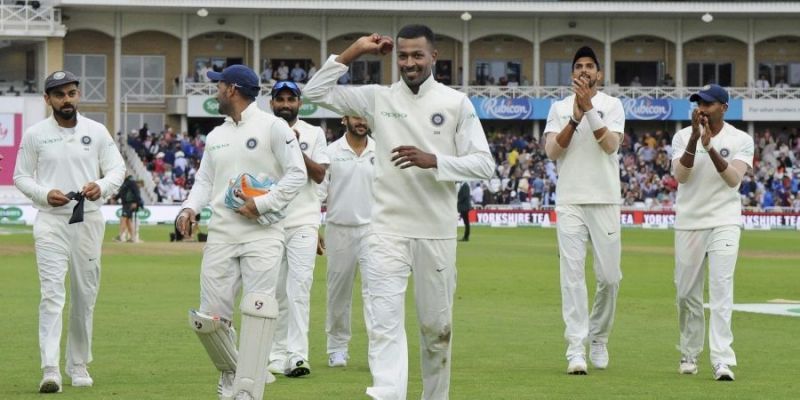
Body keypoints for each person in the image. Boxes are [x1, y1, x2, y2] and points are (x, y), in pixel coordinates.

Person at [305, 24, 495, 400]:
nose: (409, 63)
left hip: (435, 231)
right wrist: (356, 49)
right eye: (403, 56)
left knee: (436, 331)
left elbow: (484, 165)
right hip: (386, 231)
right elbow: (313, 93)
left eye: (417, 55)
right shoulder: (378, 99)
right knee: (384, 326)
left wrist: (434, 161)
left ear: (434, 57)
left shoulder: (455, 103)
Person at [175, 65, 307, 399]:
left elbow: (297, 174)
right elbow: (204, 181)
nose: (215, 91)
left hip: (263, 233)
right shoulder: (216, 135)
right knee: (210, 318)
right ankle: (235, 373)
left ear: (231, 89)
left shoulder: (274, 127)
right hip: (221, 233)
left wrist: (261, 205)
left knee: (258, 311)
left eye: (218, 85)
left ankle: (247, 390)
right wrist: (189, 208)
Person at [13, 70, 126, 393]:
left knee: (84, 297)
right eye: (59, 95)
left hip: (88, 220)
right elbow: (21, 176)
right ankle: (50, 369)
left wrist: (101, 186)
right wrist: (43, 193)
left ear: (78, 96)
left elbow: (117, 168)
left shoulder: (96, 131)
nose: (67, 100)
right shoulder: (36, 134)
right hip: (50, 220)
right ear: (47, 99)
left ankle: (78, 364)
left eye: (71, 93)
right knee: (52, 295)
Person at [543, 46, 625, 375]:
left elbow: (611, 146)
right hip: (570, 200)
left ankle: (599, 337)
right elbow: (551, 151)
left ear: (599, 74)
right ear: (572, 73)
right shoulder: (559, 107)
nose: (585, 71)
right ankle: (575, 347)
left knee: (609, 278)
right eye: (579, 66)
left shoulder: (612, 105)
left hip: (605, 198)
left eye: (590, 66)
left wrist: (589, 109)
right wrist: (575, 116)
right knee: (572, 277)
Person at [670, 84, 753, 381]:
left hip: (724, 221)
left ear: (724, 108)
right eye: (698, 103)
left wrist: (710, 147)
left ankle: (722, 359)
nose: (701, 109)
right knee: (686, 294)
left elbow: (733, 180)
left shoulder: (741, 139)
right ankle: (690, 353)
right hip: (689, 222)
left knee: (721, 290)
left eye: (708, 104)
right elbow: (681, 175)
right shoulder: (681, 136)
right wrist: (695, 139)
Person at [267, 80, 330, 378]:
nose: (285, 104)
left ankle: (298, 355)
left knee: (299, 289)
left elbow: (319, 174)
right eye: (280, 99)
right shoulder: (263, 130)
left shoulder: (314, 133)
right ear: (271, 103)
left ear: (299, 104)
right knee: (276, 291)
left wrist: (293, 147)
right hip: (270, 222)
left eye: (291, 99)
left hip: (304, 221)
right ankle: (276, 354)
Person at [319, 115, 375, 368]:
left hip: (374, 231)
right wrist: (312, 225)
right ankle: (337, 348)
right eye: (356, 117)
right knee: (338, 293)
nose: (361, 122)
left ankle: (380, 348)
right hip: (339, 230)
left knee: (377, 294)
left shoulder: (381, 152)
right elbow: (318, 192)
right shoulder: (330, 152)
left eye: (365, 117)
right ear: (344, 119)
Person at [114, 175, 143, 243]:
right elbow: (121, 192)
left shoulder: (131, 182)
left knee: (123, 219)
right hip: (126, 203)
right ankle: (133, 238)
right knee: (128, 221)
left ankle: (120, 237)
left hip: (129, 203)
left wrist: (136, 202)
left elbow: (136, 192)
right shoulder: (125, 182)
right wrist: (115, 198)